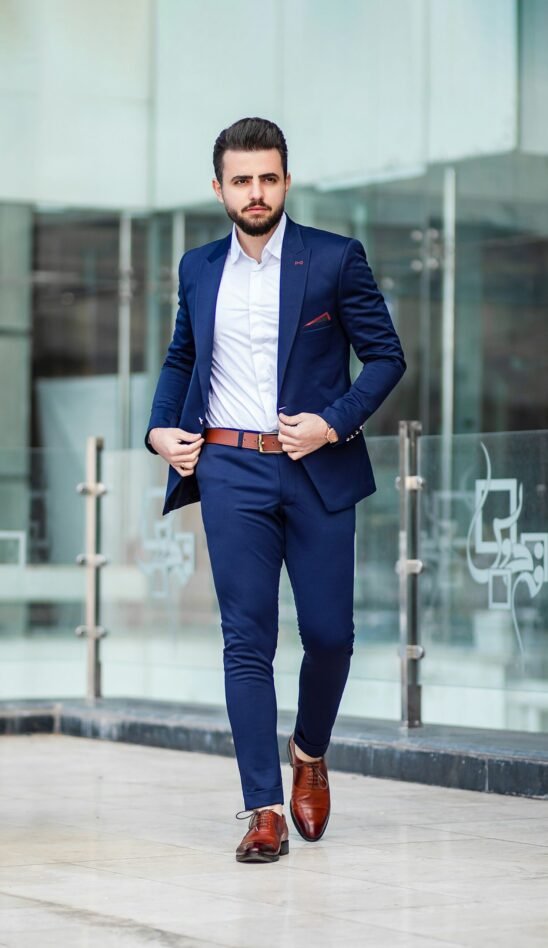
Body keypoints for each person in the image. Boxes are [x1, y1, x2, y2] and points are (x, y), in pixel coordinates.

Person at [145, 117, 406, 864]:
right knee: (246, 639)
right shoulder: (198, 267)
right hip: (229, 468)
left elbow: (386, 358)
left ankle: (310, 752)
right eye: (241, 179)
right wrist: (161, 430)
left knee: (330, 636)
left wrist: (332, 422)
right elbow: (180, 357)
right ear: (219, 187)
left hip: (316, 467)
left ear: (286, 181)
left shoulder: (333, 259)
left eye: (267, 178)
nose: (255, 192)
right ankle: (262, 808)